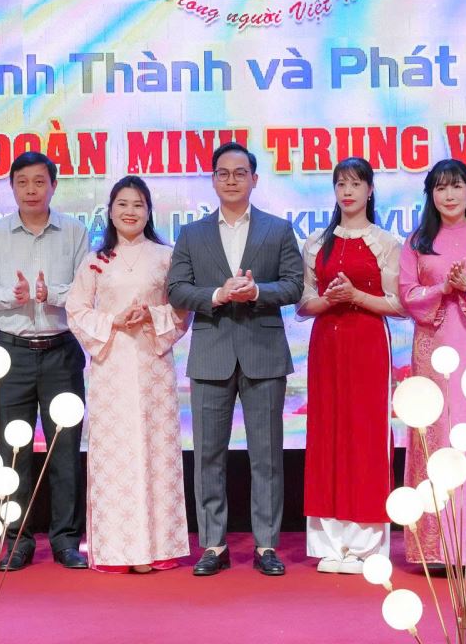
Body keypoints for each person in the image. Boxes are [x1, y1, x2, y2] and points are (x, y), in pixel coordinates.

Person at [167, 141, 305, 578]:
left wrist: (256, 290)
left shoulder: (278, 229)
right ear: (213, 180)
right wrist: (217, 294)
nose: (231, 180)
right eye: (223, 173)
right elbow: (176, 289)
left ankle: (266, 545)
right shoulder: (192, 234)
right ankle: (213, 544)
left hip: (264, 353)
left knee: (267, 456)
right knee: (208, 456)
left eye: (240, 172)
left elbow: (294, 285)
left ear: (254, 179)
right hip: (211, 354)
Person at [64, 176, 191, 573]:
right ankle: (119, 551)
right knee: (115, 455)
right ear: (110, 211)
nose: (130, 211)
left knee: (155, 451)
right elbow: (76, 310)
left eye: (138, 204)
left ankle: (157, 547)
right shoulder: (96, 260)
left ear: (149, 211)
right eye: (122, 204)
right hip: (111, 367)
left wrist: (151, 315)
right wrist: (113, 321)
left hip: (153, 365)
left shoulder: (167, 257)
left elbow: (182, 309)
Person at [0, 151, 91, 572]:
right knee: (12, 452)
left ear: (53, 186)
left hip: (61, 350)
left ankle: (66, 540)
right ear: (12, 187)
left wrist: (49, 294)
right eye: (22, 182)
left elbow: (86, 289)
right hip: (12, 353)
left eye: (39, 181)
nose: (31, 190)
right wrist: (13, 296)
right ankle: (16, 541)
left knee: (65, 450)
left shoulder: (74, 231)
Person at [398, 159, 466, 567]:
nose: (449, 195)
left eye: (457, 186)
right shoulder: (417, 242)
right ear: (430, 194)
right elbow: (408, 294)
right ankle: (437, 548)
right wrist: (442, 287)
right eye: (441, 187)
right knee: (438, 434)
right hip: (434, 349)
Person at [297, 157, 403, 574]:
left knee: (366, 434)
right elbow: (303, 304)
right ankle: (329, 544)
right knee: (327, 432)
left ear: (370, 190)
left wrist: (356, 296)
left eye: (356, 184)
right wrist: (330, 299)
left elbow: (398, 304)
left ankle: (366, 544)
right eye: (341, 183)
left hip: (368, 343)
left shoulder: (386, 242)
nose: (348, 191)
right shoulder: (315, 243)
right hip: (326, 343)